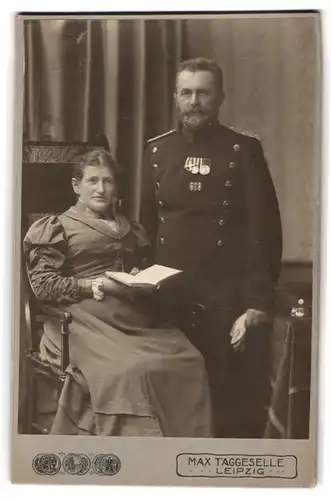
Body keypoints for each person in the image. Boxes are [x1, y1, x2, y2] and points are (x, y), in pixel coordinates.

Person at [23, 147, 213, 437]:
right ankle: (131, 455)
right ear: (76, 185)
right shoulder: (57, 226)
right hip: (83, 320)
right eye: (93, 180)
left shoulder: (131, 228)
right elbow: (43, 285)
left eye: (108, 181)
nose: (101, 189)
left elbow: (141, 267)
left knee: (190, 360)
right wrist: (94, 284)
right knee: (127, 371)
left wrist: (138, 278)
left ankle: (181, 451)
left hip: (134, 317)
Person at [140, 57, 283, 438]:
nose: (194, 101)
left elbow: (264, 230)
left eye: (203, 93)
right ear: (175, 98)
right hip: (169, 295)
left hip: (226, 298)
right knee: (173, 398)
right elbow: (145, 231)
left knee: (227, 402)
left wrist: (257, 303)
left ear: (220, 98)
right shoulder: (156, 152)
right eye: (186, 93)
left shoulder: (243, 150)